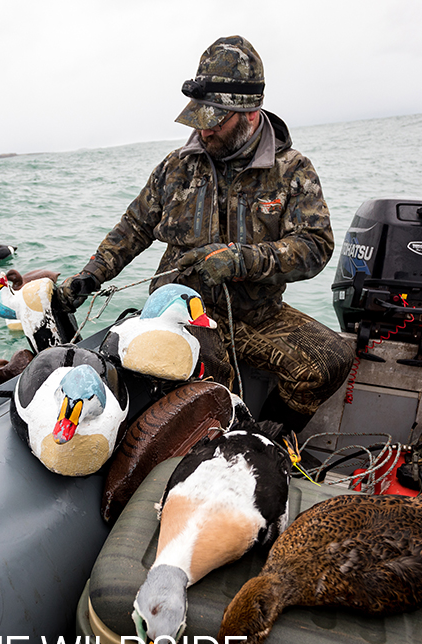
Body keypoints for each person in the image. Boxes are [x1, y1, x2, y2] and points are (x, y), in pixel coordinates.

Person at [57, 35, 354, 433]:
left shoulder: (292, 170)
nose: (204, 131)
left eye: (215, 121)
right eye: (199, 118)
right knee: (215, 388)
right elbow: (135, 225)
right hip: (182, 314)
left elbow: (315, 246)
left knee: (330, 360)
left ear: (249, 114)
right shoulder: (176, 166)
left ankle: (270, 438)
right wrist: (91, 275)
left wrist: (242, 259)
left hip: (258, 314)